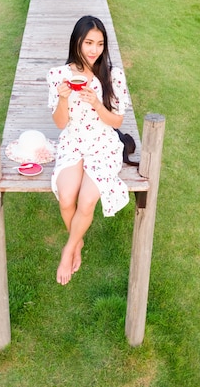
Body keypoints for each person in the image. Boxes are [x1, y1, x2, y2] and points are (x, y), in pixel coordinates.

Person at [47, 15, 131, 285]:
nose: (94, 50)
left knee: (86, 201)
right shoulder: (59, 76)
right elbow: (61, 124)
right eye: (88, 43)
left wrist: (96, 102)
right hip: (73, 143)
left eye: (100, 44)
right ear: (77, 43)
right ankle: (78, 241)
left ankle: (68, 249)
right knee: (66, 197)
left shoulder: (113, 76)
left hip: (103, 144)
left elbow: (116, 122)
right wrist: (63, 98)